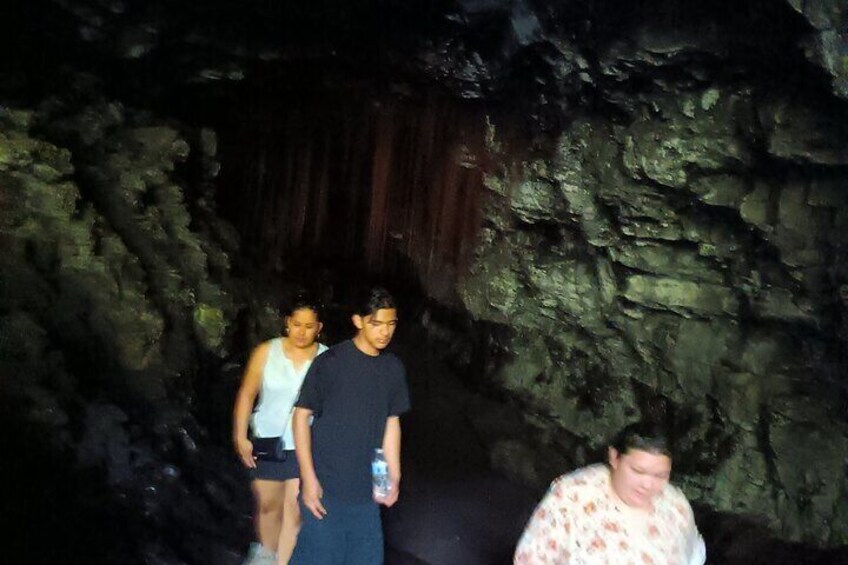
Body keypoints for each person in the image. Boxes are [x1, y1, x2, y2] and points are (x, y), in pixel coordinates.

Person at [289, 286, 411, 565]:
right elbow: (300, 417)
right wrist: (308, 479)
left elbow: (391, 423)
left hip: (365, 493)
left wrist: (393, 477)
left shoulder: (392, 369)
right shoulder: (330, 363)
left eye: (391, 324)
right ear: (358, 321)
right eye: (376, 323)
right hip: (326, 489)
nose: (385, 332)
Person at [514, 422, 707, 565]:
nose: (648, 484)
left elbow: (692, 558)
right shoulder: (573, 495)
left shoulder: (676, 506)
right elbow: (531, 559)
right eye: (638, 471)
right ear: (614, 457)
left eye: (660, 475)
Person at [233, 297, 327, 565]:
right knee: (268, 506)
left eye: (309, 326)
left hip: (306, 445)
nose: (301, 331)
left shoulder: (327, 358)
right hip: (267, 441)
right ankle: (265, 550)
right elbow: (247, 394)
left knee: (294, 510)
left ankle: (283, 562)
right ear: (287, 323)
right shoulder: (266, 352)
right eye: (297, 324)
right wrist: (240, 436)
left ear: (319, 327)